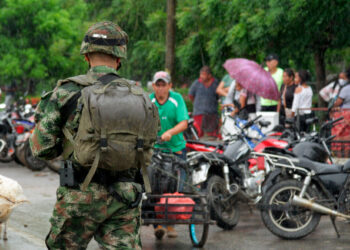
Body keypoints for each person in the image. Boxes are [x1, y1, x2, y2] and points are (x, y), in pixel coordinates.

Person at [30, 21, 159, 250]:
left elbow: (42, 149)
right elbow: (149, 143)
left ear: (86, 56)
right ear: (119, 59)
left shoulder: (67, 92)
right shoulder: (141, 96)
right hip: (126, 196)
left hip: (79, 196)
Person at [149, 71, 189, 240]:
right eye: (157, 85)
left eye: (163, 84)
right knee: (153, 188)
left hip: (176, 150)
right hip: (155, 150)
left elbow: (184, 123)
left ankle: (171, 225)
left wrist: (170, 133)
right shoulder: (148, 100)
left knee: (175, 189)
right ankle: (157, 224)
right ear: (153, 86)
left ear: (169, 86)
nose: (160, 88)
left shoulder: (176, 99)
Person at [189, 66, 220, 138]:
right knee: (197, 134)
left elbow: (218, 96)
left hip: (212, 113)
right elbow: (191, 95)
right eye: (201, 74)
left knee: (212, 135)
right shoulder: (196, 83)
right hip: (199, 113)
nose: (201, 76)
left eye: (204, 74)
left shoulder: (215, 83)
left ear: (209, 75)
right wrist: (196, 104)